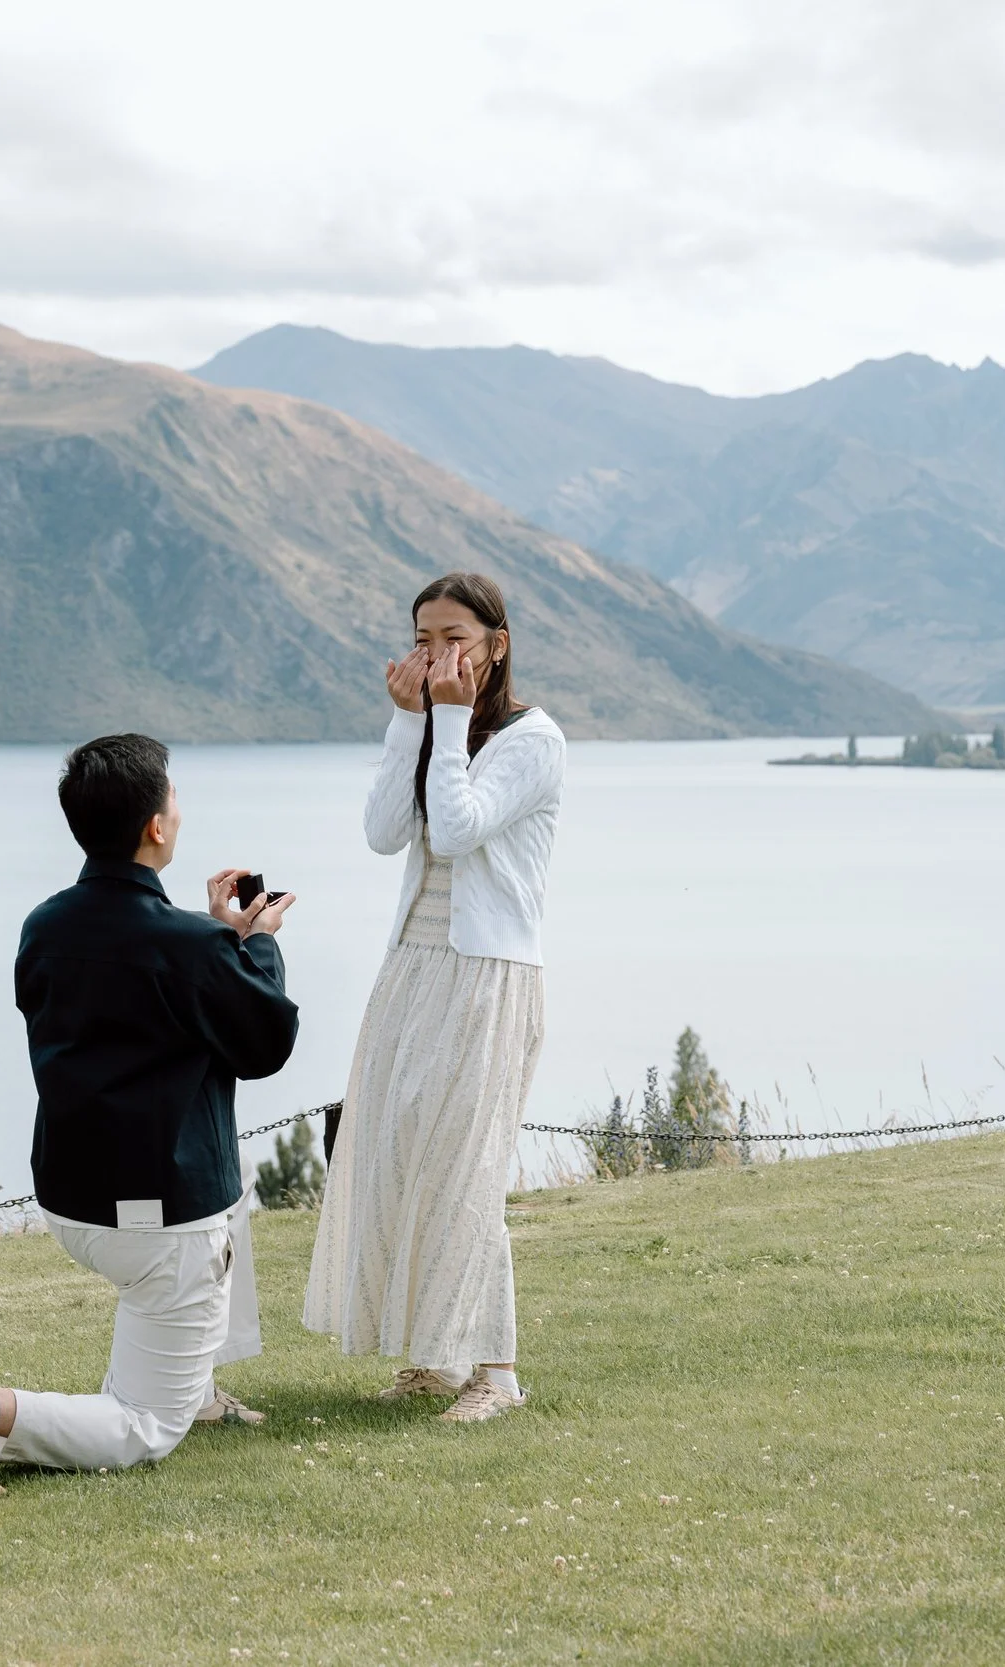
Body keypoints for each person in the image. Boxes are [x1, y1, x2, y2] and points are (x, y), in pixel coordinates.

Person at [0, 733, 299, 1498]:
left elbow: (133, 988)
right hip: (161, 1223)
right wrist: (252, 946)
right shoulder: (191, 946)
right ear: (157, 826)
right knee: (146, 1426)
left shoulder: (44, 927)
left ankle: (199, 1386)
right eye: (175, 796)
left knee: (213, 1222)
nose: (179, 809)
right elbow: (266, 1040)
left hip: (72, 1202)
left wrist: (218, 938)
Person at [303, 572, 565, 1423]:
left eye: (454, 636)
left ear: (496, 644)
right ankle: (433, 1358)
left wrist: (445, 720)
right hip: (414, 965)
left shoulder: (535, 739)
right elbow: (386, 833)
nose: (436, 652)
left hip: (487, 974)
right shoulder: (434, 728)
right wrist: (408, 721)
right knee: (397, 1147)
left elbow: (455, 828)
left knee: (466, 1164)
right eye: (423, 637)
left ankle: (498, 1373)